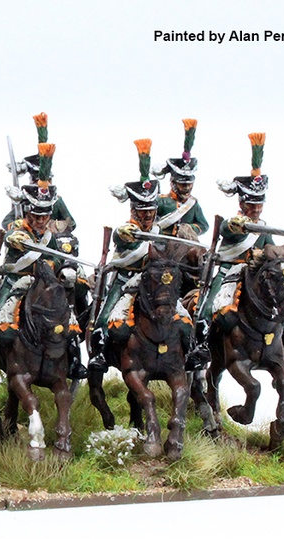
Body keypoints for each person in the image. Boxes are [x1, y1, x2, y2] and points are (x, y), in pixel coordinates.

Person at [0, 143, 88, 379]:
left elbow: (59, 248)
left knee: (70, 320)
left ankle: (76, 360)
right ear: (27, 211)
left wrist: (58, 266)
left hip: (45, 282)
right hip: (17, 280)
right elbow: (7, 232)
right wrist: (14, 236)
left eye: (45, 216)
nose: (41, 220)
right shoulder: (18, 228)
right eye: (36, 215)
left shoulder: (50, 235)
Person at [195, 132, 284, 366]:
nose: (255, 209)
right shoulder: (234, 223)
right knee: (207, 308)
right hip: (230, 273)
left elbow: (271, 251)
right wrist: (238, 225)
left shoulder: (263, 229)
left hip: (255, 276)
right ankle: (201, 347)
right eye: (251, 204)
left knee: (280, 303)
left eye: (259, 204)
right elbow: (226, 229)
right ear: (242, 203)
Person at [88, 138, 171, 374]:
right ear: (133, 210)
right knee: (104, 319)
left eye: (150, 213)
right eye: (142, 213)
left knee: (182, 320)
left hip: (153, 284)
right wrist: (125, 234)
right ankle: (99, 355)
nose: (147, 217)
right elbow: (120, 239)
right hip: (126, 280)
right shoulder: (125, 231)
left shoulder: (159, 233)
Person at [2, 113, 76, 232]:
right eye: (35, 180)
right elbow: (6, 222)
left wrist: (54, 226)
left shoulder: (56, 201)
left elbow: (71, 224)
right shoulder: (25, 199)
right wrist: (17, 225)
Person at [153, 118, 209, 237]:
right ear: (173, 183)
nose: (187, 187)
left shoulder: (193, 204)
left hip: (186, 242)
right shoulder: (161, 201)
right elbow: (149, 224)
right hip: (162, 242)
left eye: (189, 184)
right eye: (183, 184)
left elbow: (204, 225)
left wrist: (189, 228)